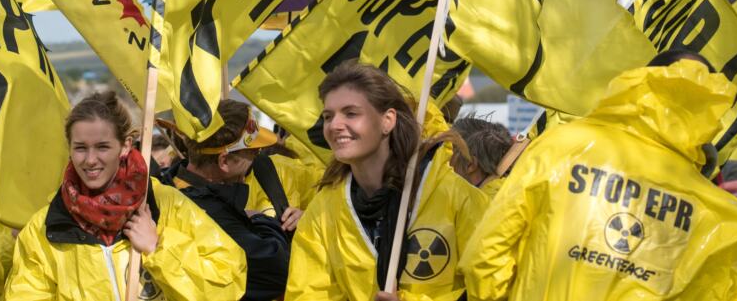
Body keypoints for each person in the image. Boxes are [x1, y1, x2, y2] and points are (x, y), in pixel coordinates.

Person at [460, 51, 737, 300]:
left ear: (641, 80)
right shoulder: (719, 218)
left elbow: (485, 257)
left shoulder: (563, 146)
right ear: (711, 105)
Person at [5, 91, 246, 300]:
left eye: (102, 147)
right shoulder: (46, 228)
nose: (90, 160)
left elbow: (229, 283)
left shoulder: (165, 204)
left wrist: (159, 248)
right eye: (80, 148)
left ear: (125, 145)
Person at [286, 62, 488, 301]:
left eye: (351, 113)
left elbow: (491, 291)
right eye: (328, 116)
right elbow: (305, 294)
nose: (335, 125)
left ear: (387, 120)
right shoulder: (323, 211)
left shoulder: (458, 199)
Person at [171, 99, 300, 301]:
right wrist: (261, 221)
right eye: (253, 151)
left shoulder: (171, 183)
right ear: (224, 161)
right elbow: (278, 269)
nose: (257, 156)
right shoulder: (205, 210)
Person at [450, 116, 513, 198]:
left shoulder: (479, 207)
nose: (442, 158)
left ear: (470, 164)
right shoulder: (507, 193)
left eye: (449, 151)